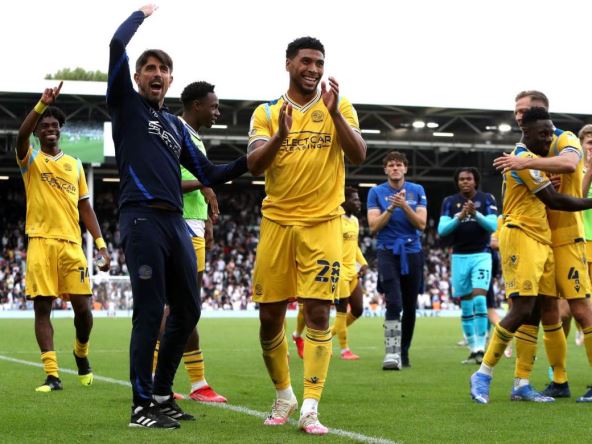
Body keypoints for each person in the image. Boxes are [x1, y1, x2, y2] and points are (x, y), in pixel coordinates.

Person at [108, 5, 250, 429]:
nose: (157, 73)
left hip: (174, 223)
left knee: (188, 311)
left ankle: (162, 395)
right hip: (141, 218)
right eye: (149, 68)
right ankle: (140, 408)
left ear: (171, 79)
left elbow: (208, 173)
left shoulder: (173, 125)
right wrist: (141, 13)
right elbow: (116, 44)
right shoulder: (126, 106)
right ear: (137, 77)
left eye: (163, 69)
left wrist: (253, 160)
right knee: (151, 312)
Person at [247, 36, 366, 434]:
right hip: (277, 223)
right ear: (289, 64)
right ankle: (284, 395)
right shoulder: (267, 112)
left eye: (319, 63)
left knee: (318, 313)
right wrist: (280, 136)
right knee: (269, 318)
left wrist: (334, 115)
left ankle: (311, 407)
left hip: (323, 223)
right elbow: (254, 165)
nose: (313, 69)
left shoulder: (339, 105)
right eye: (306, 61)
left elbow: (359, 154)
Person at [470, 107, 592, 404]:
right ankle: (483, 373)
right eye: (543, 133)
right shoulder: (522, 159)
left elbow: (560, 180)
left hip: (543, 238)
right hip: (522, 234)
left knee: (537, 311)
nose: (549, 138)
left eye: (551, 132)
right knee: (522, 309)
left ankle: (522, 383)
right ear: (526, 132)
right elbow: (554, 199)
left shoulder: (532, 158)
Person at [15, 83, 110, 392]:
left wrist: (101, 245)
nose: (50, 129)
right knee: (42, 309)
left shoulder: (75, 165)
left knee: (84, 310)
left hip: (71, 245)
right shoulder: (30, 160)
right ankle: (52, 375)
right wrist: (41, 105)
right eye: (44, 126)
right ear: (37, 133)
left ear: (61, 131)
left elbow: (85, 206)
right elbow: (20, 137)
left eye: (55, 125)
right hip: (40, 242)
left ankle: (81, 351)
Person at [152, 81, 226, 403]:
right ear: (197, 105)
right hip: (177, 224)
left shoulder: (196, 139)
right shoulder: (175, 131)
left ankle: (196, 383)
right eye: (214, 106)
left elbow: (198, 186)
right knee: (178, 308)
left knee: (188, 308)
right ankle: (158, 379)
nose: (217, 112)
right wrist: (205, 184)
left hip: (194, 225)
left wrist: (207, 221)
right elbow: (167, 181)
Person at [367, 151, 427, 370]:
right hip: (387, 250)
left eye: (399, 165)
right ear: (385, 169)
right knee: (394, 302)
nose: (395, 168)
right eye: (391, 165)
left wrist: (404, 205)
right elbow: (374, 227)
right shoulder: (376, 192)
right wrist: (392, 208)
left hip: (412, 251)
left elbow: (421, 224)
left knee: (410, 307)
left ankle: (404, 352)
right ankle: (391, 354)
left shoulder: (417, 190)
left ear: (405, 168)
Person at [438, 168, 498, 365]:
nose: (465, 182)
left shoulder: (486, 199)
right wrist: (460, 216)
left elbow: (493, 226)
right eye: (461, 179)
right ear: (457, 182)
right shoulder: (449, 202)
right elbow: (442, 229)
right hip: (459, 257)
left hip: (481, 255)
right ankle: (472, 350)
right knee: (465, 304)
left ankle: (481, 348)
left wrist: (475, 214)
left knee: (479, 299)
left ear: (475, 181)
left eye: (469, 179)